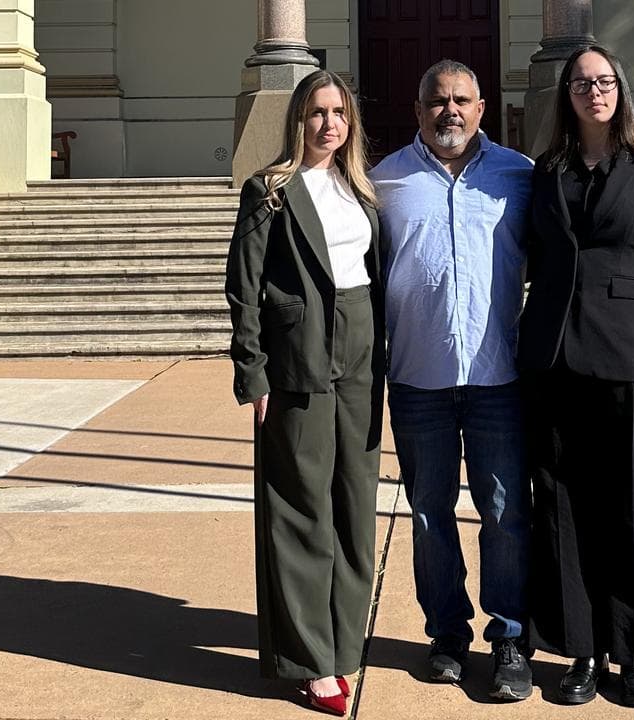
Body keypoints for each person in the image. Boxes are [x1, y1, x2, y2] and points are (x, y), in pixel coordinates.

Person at [519, 45, 634, 708]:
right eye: (581, 83)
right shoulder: (549, 170)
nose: (594, 91)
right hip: (554, 361)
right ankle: (582, 650)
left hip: (632, 366)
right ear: (567, 96)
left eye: (604, 81)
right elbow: (528, 256)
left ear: (621, 89)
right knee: (562, 510)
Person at [370, 59, 535, 701]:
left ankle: (512, 639)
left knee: (504, 513)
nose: (451, 112)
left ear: (482, 107)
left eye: (462, 100)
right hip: (419, 379)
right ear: (418, 111)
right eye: (438, 101)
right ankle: (445, 637)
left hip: (499, 376)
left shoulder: (518, 177)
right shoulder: (385, 182)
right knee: (430, 514)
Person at [224, 69, 384, 718]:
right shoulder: (270, 189)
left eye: (339, 112)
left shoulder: (361, 189)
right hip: (298, 359)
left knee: (354, 504)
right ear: (298, 118)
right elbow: (244, 285)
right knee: (300, 508)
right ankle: (310, 662)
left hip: (362, 360)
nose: (328, 124)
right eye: (317, 112)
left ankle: (344, 642)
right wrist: (251, 371)